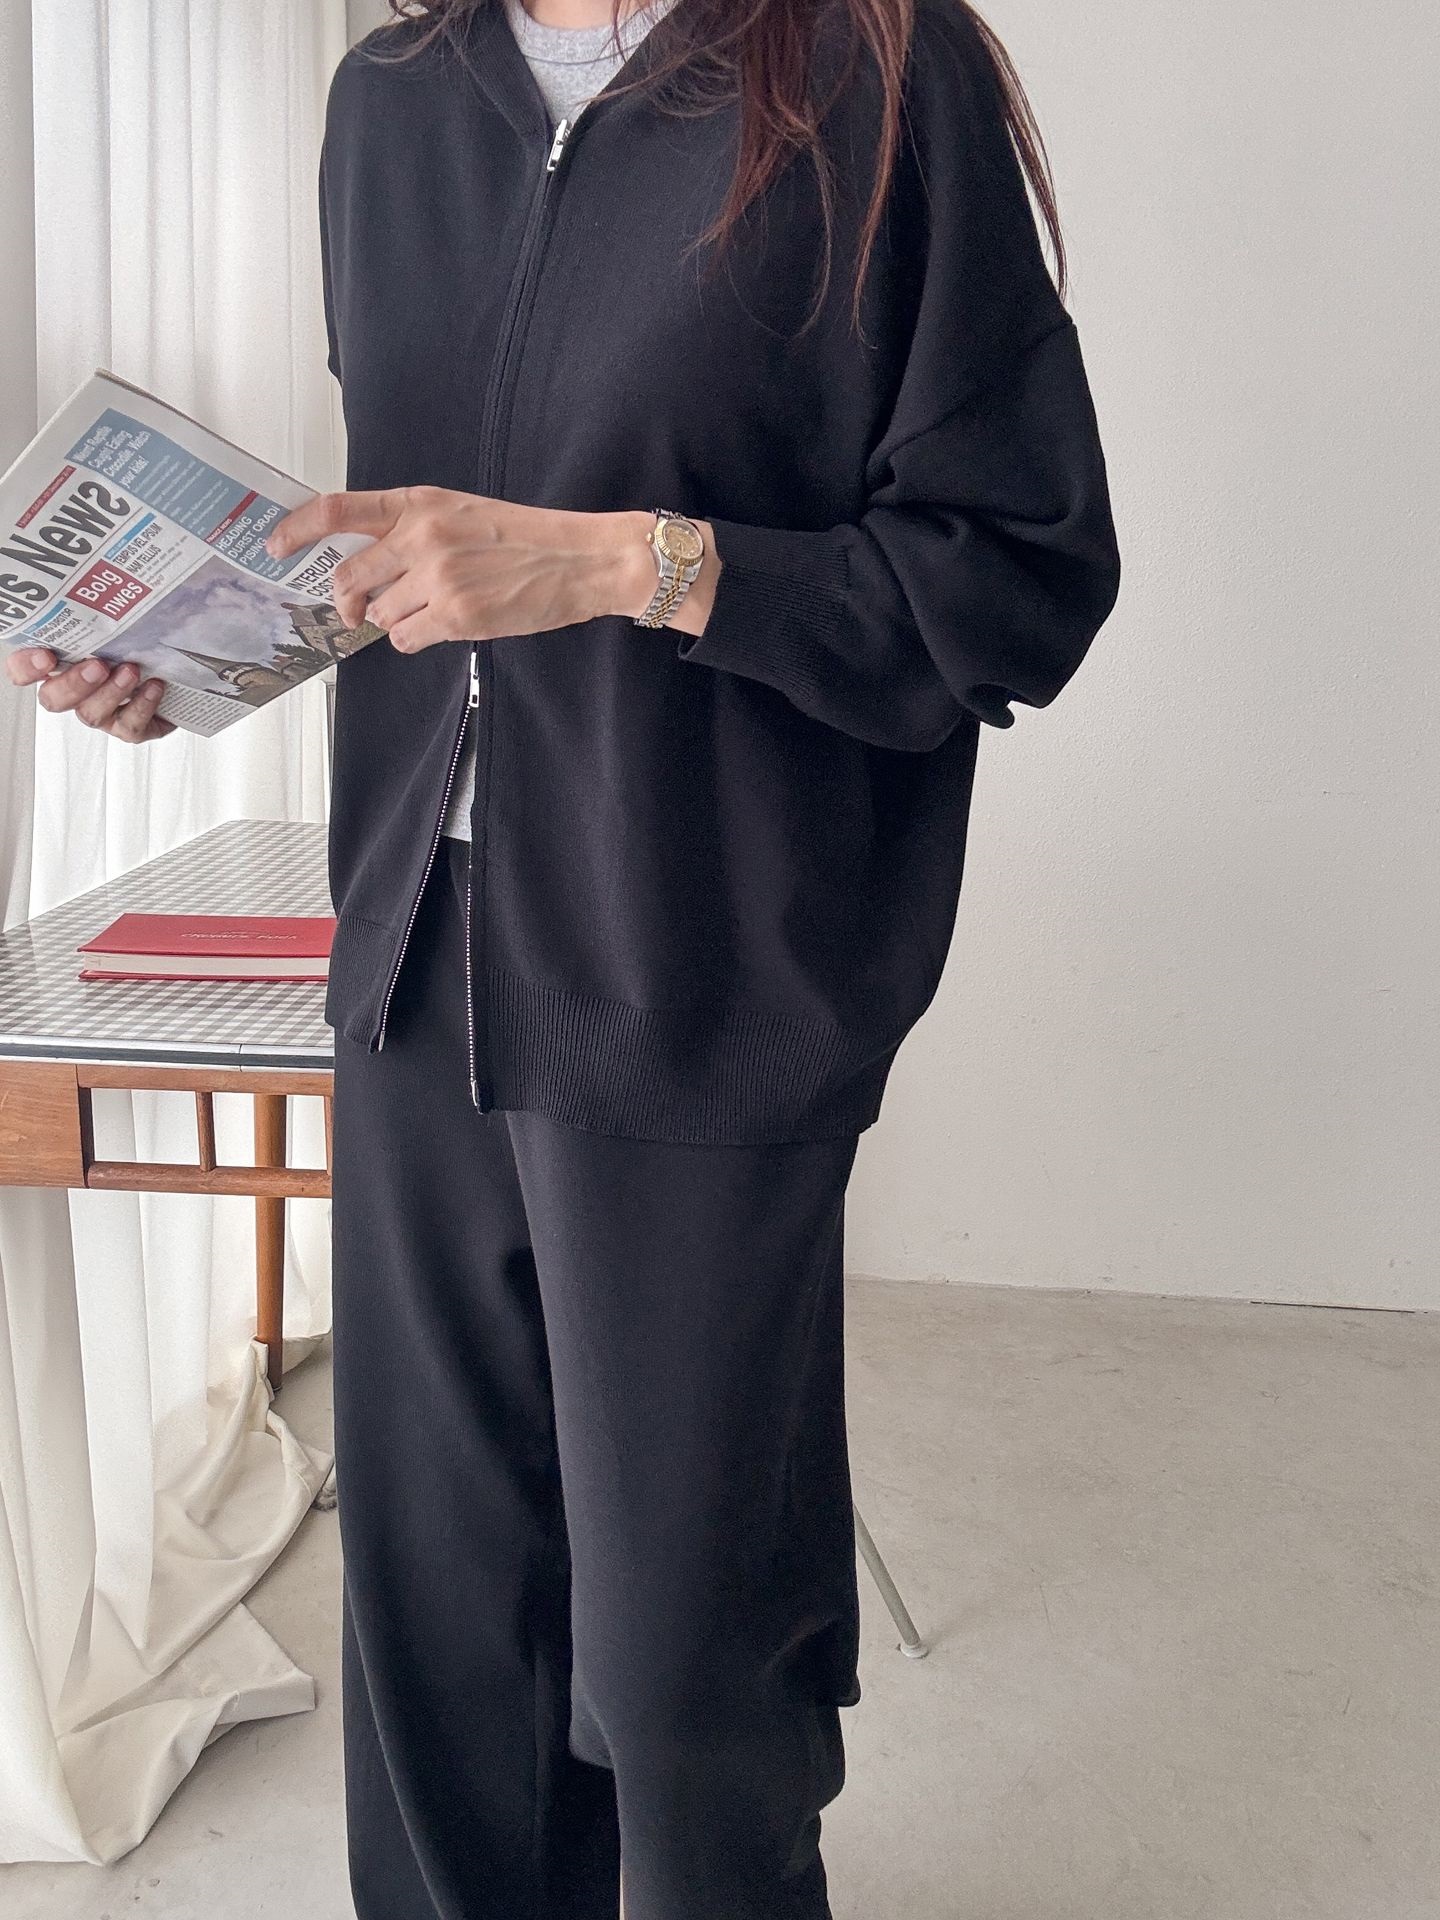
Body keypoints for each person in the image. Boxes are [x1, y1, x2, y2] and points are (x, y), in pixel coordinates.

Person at [8, 0, 1121, 1911]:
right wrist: (190, 652)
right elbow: (422, 541)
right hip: (418, 946)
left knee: (688, 1659)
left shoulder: (866, 72)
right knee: (441, 1624)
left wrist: (630, 563)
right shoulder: (392, 101)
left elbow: (1014, 581)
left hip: (705, 959)